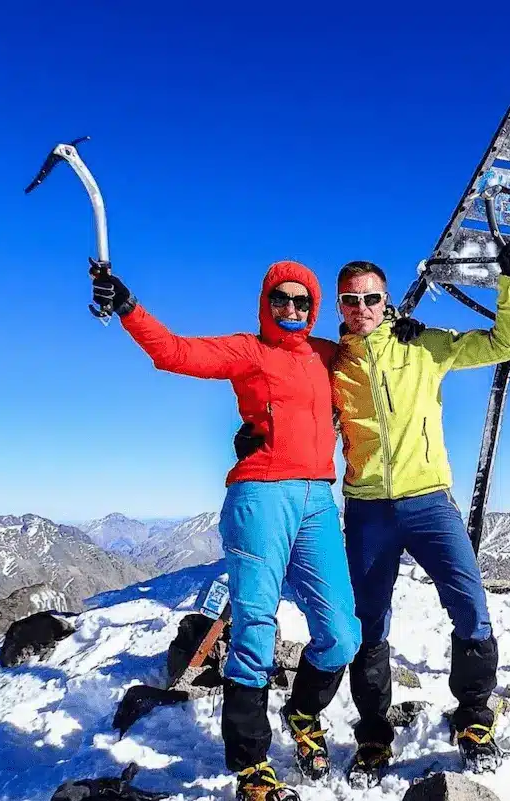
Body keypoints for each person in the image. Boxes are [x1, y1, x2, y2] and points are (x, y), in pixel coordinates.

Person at [90, 259, 362, 801]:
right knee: (255, 628)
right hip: (260, 494)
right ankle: (251, 763)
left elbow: (376, 352)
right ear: (266, 302)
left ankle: (302, 712)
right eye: (281, 300)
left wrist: (396, 320)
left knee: (342, 632)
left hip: (318, 499)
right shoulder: (248, 350)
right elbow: (173, 352)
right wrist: (127, 306)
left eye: (303, 301)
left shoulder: (328, 354)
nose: (292, 309)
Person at [329, 245, 510, 783]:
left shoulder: (422, 346)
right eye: (351, 300)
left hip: (429, 502)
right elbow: (292, 399)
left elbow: (502, 342)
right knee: (369, 624)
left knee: (471, 608)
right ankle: (373, 737)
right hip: (369, 508)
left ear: (386, 299)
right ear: (340, 306)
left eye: (372, 297)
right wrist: (257, 434)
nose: (362, 307)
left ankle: (473, 721)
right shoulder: (333, 363)